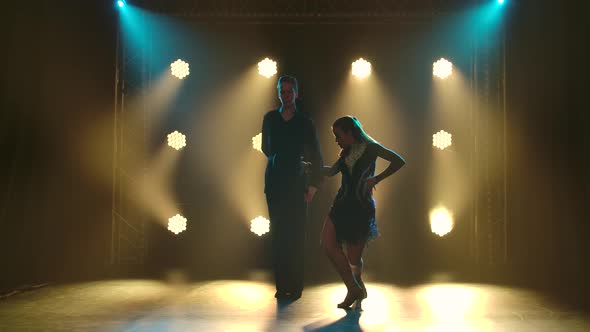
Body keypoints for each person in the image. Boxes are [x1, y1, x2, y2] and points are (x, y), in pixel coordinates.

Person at [321, 115, 405, 309]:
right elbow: (332, 171)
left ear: (350, 132)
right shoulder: (345, 152)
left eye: (338, 135)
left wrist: (376, 178)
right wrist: (311, 168)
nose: (336, 140)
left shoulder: (371, 147)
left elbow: (399, 161)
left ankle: (358, 287)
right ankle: (353, 288)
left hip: (360, 208)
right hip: (341, 205)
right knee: (327, 243)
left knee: (353, 258)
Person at [262, 75, 324, 300]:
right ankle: (282, 285)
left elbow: (316, 152)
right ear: (278, 92)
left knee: (297, 235)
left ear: (296, 93)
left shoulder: (305, 121)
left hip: (297, 183)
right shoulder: (270, 118)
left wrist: (314, 184)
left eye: (289, 91)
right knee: (278, 235)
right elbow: (265, 148)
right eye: (282, 91)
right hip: (276, 183)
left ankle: (295, 285)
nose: (285, 95)